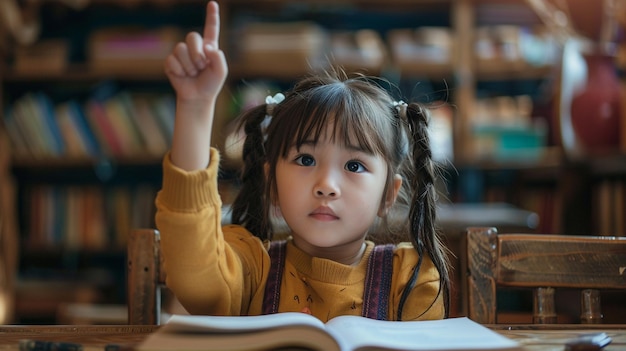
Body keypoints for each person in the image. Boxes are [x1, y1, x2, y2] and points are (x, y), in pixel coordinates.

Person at [156, 0, 450, 322]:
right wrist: (196, 107)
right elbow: (193, 278)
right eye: (306, 159)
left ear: (388, 195)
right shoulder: (250, 267)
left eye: (354, 166)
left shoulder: (409, 281)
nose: (326, 186)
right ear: (273, 183)